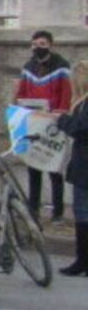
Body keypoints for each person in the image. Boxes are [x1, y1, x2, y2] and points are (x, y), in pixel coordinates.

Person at [15, 30, 72, 224]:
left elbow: (66, 94)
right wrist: (20, 108)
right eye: (34, 44)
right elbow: (21, 92)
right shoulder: (28, 67)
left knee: (54, 168)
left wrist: (60, 114)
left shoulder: (61, 67)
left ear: (50, 45)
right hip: (33, 121)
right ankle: (33, 209)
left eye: (42, 44)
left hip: (53, 123)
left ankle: (57, 212)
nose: (37, 47)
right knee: (34, 167)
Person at [54, 61, 88, 277]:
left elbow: (81, 128)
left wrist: (63, 120)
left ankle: (82, 260)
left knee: (83, 212)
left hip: (85, 163)